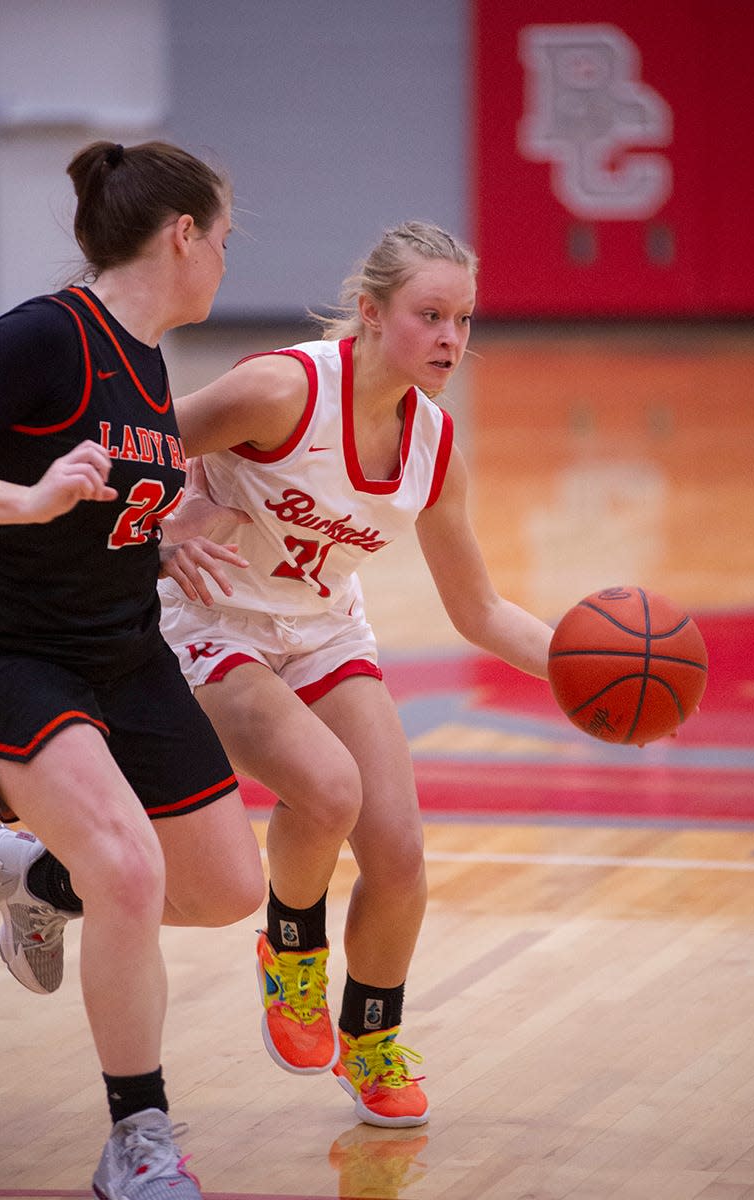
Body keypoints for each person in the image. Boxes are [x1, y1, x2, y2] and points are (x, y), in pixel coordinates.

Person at [157, 221, 555, 1128]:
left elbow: (478, 610)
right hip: (215, 625)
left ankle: (370, 1035)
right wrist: (159, 533)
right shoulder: (282, 389)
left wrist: (575, 671)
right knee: (328, 790)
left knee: (401, 853)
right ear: (370, 315)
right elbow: (138, 444)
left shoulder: (434, 444)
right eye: (429, 315)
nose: (451, 338)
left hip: (326, 630)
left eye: (463, 319)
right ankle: (292, 954)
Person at [0, 139, 264, 1200]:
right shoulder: (43, 338)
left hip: (124, 652)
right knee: (132, 874)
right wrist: (28, 501)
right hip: (10, 657)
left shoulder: (145, 362)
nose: (228, 259)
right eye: (224, 239)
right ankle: (136, 1139)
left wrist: (161, 531)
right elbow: (34, 489)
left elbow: (96, 495)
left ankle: (29, 873)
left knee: (227, 888)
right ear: (181, 235)